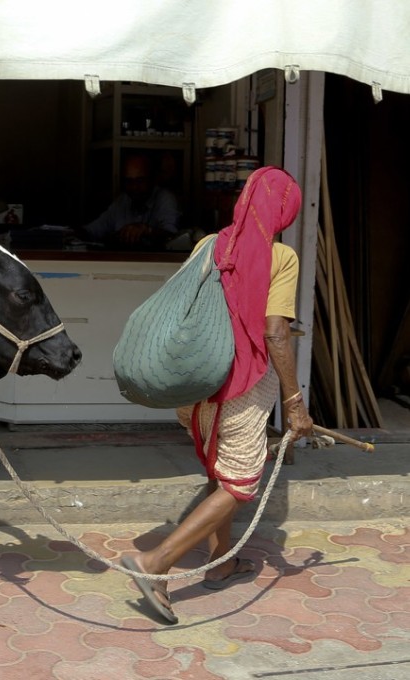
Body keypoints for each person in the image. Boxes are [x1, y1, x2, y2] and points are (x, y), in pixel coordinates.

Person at [120, 166, 314, 625]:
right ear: (285, 209)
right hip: (243, 385)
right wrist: (294, 402)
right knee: (241, 482)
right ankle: (155, 563)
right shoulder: (280, 256)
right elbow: (274, 331)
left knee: (218, 467)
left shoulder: (208, 244)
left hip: (198, 381)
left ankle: (222, 561)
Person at [80, 154, 181, 247]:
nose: (134, 187)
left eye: (140, 181)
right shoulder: (123, 201)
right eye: (129, 181)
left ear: (153, 180)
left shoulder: (165, 198)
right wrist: (70, 233)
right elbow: (92, 231)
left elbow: (173, 237)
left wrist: (147, 231)